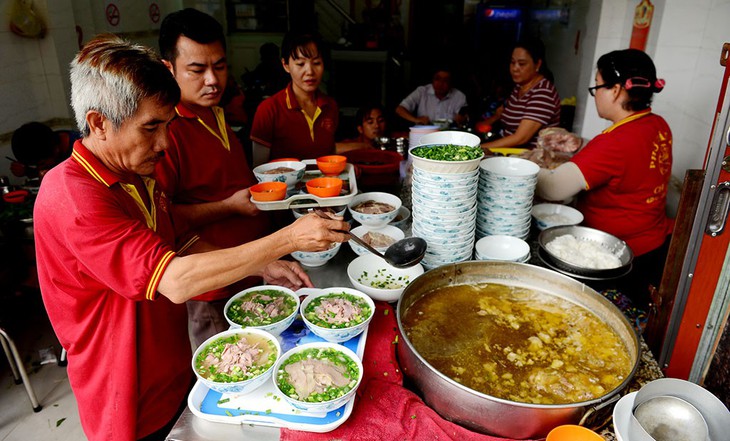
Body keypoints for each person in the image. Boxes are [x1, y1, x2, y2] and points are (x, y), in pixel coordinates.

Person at [33, 34, 349, 441]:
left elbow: (179, 242)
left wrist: (262, 263)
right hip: (124, 392)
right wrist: (286, 240)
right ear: (99, 123)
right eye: (150, 128)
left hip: (174, 372)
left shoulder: (137, 176)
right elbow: (175, 279)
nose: (164, 143)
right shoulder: (73, 196)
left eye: (166, 126)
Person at [157, 8, 304, 349]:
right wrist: (228, 207)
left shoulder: (218, 113)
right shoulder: (167, 131)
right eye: (197, 70)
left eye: (220, 66)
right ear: (169, 69)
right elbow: (164, 221)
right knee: (231, 369)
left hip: (254, 270)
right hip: (214, 289)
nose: (212, 80)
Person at [536, 48, 673, 309]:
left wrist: (521, 167)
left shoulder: (614, 142)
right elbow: (633, 162)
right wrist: (582, 145)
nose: (596, 93)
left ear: (617, 90)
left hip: (615, 257)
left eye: (597, 86)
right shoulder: (657, 124)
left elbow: (554, 187)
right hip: (653, 245)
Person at [250, 31, 338, 165]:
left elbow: (330, 154)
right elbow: (259, 170)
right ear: (286, 65)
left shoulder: (330, 106)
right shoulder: (268, 110)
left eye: (316, 63)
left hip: (324, 184)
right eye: (300, 64)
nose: (310, 72)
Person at [481, 38, 561, 151]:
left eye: (522, 64)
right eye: (512, 62)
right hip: (507, 151)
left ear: (537, 64)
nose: (515, 68)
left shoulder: (543, 93)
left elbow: (521, 138)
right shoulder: (520, 87)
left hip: (528, 158)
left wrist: (479, 149)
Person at [395, 67, 468, 127]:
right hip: (423, 135)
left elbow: (463, 119)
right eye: (437, 79)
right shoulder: (422, 91)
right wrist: (416, 120)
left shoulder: (459, 96)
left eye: (445, 81)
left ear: (451, 83)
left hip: (448, 136)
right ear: (432, 80)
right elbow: (399, 110)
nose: (440, 84)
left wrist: (462, 119)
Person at [9, 122, 75, 181]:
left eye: (42, 164)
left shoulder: (81, 150)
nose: (40, 168)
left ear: (56, 150)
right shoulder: (50, 140)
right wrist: (26, 171)